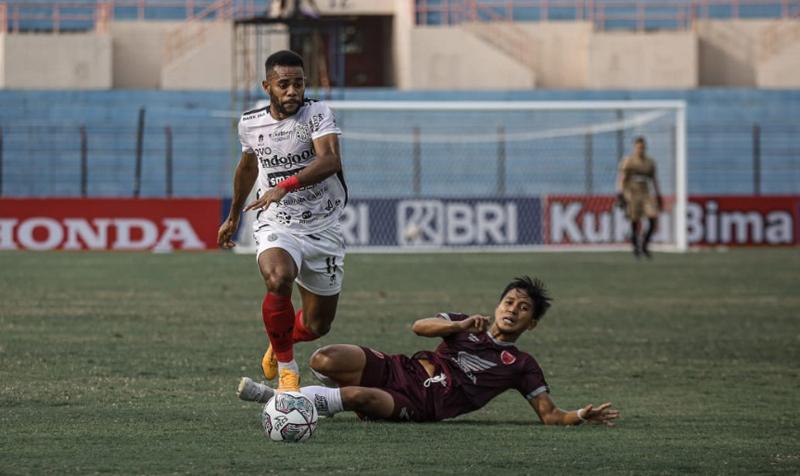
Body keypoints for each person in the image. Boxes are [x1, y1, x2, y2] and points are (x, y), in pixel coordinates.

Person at [237, 276, 620, 426]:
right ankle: (324, 399)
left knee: (357, 396)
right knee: (325, 359)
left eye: (523, 309)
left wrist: (581, 415)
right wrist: (457, 325)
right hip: (402, 368)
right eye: (509, 301)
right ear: (499, 302)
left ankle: (277, 399)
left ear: (531, 324)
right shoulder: (466, 323)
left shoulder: (522, 365)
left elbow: (549, 414)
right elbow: (418, 328)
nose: (512, 310)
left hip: (424, 404)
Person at [217, 50, 347, 393]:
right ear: (267, 86)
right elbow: (247, 168)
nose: (293, 91)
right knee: (278, 278)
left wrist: (283, 186)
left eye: (299, 84)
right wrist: (232, 216)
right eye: (284, 84)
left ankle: (278, 344)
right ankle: (288, 371)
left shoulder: (317, 113)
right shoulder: (250, 122)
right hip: (277, 222)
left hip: (323, 226)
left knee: (319, 324)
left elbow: (330, 160)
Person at [616, 136, 663, 259]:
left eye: (642, 147)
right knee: (635, 221)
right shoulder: (628, 161)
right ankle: (635, 247)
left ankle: (644, 244)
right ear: (634, 148)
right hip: (632, 194)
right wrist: (620, 195)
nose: (640, 150)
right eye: (638, 147)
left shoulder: (650, 163)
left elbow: (654, 180)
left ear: (645, 148)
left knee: (653, 218)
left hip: (646, 194)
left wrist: (659, 196)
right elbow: (622, 178)